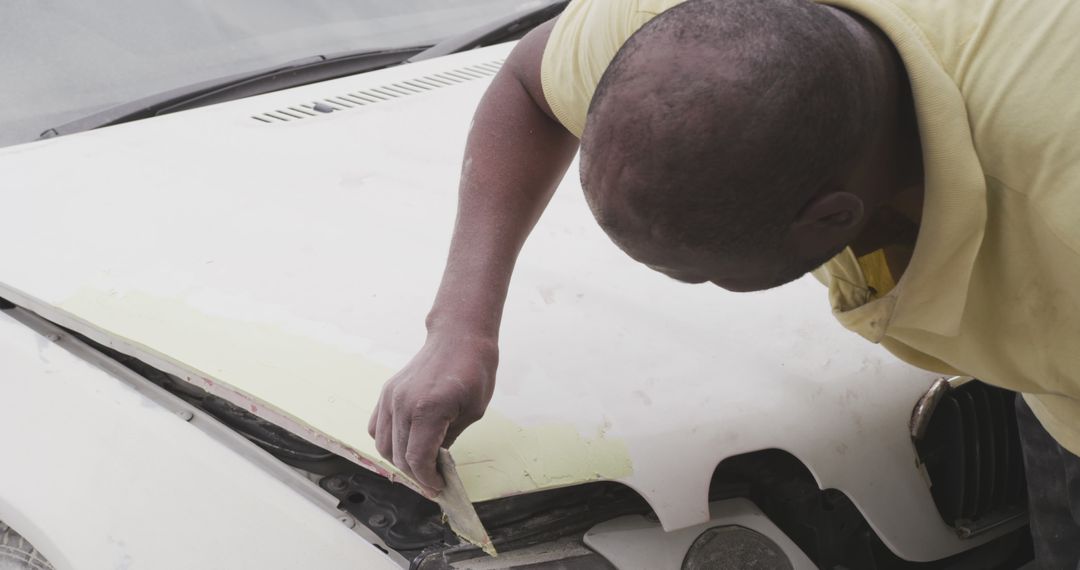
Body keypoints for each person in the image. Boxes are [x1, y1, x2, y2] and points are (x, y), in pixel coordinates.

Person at [368, 0, 1080, 565]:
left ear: (835, 217)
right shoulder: (672, 30)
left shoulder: (1057, 218)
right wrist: (460, 327)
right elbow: (530, 83)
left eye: (701, 271)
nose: (682, 284)